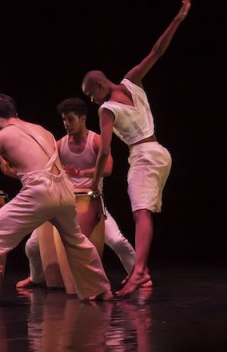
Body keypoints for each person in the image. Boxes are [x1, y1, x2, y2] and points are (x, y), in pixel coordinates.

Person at [0, 94, 112, 309]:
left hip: (40, 190)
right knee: (76, 241)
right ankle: (101, 289)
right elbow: (35, 168)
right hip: (65, 190)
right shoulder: (43, 130)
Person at [81, 0, 191, 297]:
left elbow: (104, 151)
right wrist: (178, 19)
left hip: (144, 155)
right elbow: (156, 51)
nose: (92, 100)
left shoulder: (106, 109)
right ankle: (140, 270)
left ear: (100, 85)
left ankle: (139, 271)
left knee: (141, 212)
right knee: (142, 211)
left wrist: (93, 185)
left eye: (90, 94)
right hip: (161, 153)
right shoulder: (131, 81)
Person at [15, 97, 140, 289]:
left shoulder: (96, 140)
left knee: (117, 240)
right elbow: (44, 166)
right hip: (65, 204)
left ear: (82, 119)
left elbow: (107, 168)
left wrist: (82, 173)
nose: (66, 124)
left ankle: (138, 275)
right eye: (64, 119)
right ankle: (36, 278)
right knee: (32, 246)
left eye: (70, 119)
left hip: (92, 203)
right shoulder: (59, 145)